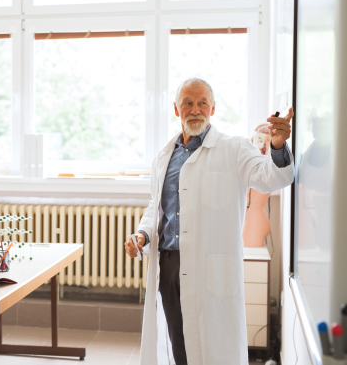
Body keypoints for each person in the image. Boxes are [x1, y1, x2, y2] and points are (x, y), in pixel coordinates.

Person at [125, 78, 294, 365]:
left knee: (216, 347)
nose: (195, 110)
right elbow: (158, 205)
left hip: (210, 267)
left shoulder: (234, 149)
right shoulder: (164, 157)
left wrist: (277, 145)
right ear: (176, 110)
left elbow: (272, 177)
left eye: (202, 102)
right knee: (179, 342)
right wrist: (143, 235)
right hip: (169, 265)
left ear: (213, 108)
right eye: (187, 103)